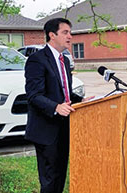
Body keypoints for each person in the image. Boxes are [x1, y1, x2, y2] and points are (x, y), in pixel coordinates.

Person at [25, 18, 91, 193]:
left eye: (70, 32)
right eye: (65, 32)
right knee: (49, 179)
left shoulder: (64, 60)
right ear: (52, 35)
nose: (70, 36)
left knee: (60, 175)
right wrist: (55, 107)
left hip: (65, 127)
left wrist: (80, 100)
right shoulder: (37, 60)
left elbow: (63, 90)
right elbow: (34, 95)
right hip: (46, 129)